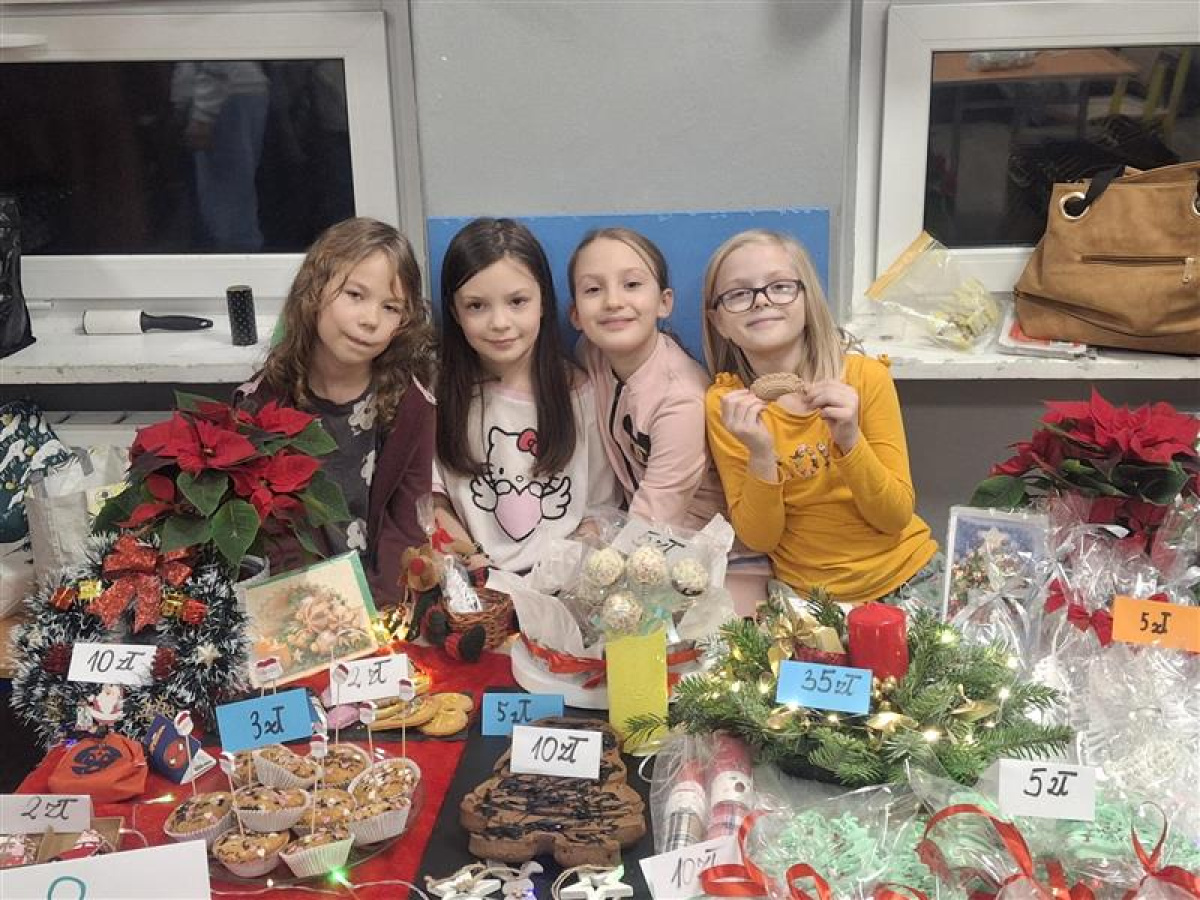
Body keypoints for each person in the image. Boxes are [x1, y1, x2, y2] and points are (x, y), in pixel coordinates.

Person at [701, 229, 939, 606]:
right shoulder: (729, 406)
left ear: (808, 298)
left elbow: (894, 516)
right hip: (809, 600)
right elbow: (760, 539)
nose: (761, 301)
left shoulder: (865, 379)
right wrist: (761, 454)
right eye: (739, 294)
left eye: (780, 286)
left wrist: (849, 439)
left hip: (908, 577)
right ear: (719, 323)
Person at [236, 217, 436, 606]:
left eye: (390, 307)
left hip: (383, 601)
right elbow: (271, 531)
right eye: (355, 295)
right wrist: (312, 608)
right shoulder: (261, 403)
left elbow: (406, 526)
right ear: (313, 292)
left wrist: (375, 610)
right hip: (295, 600)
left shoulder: (412, 406)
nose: (370, 319)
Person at [434, 217, 620, 575]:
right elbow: (434, 503)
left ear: (544, 301)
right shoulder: (442, 394)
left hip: (566, 582)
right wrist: (477, 569)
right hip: (476, 583)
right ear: (455, 312)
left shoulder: (580, 393)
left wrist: (557, 574)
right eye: (476, 306)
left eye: (517, 301)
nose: (500, 323)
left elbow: (600, 510)